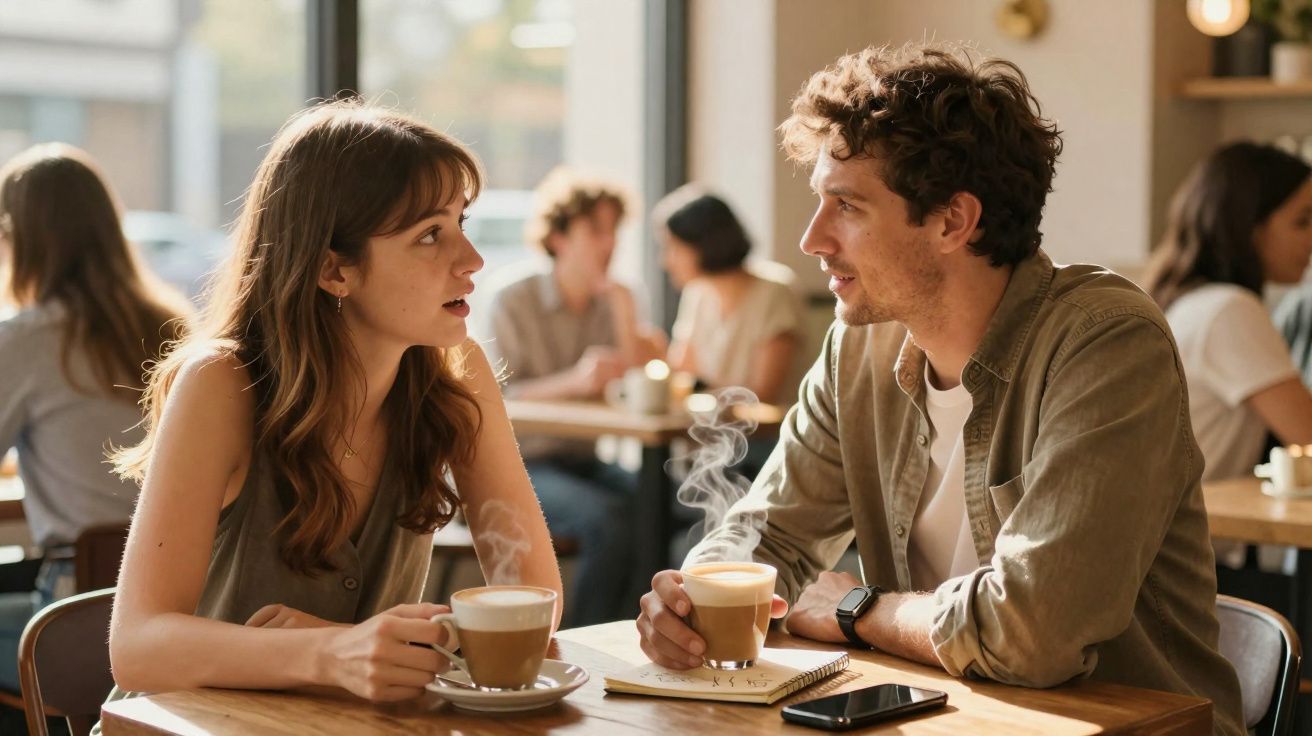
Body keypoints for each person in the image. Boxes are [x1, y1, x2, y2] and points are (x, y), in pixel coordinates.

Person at [635, 43, 1244, 736]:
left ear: (954, 220)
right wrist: (694, 599)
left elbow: (1035, 628)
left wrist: (857, 609)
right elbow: (767, 533)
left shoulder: (1105, 341)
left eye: (847, 206)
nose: (811, 239)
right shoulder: (858, 348)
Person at [105, 102, 562, 705]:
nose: (472, 260)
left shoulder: (457, 371)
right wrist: (328, 654)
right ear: (332, 270)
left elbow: (532, 599)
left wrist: (350, 643)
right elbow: (136, 647)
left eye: (461, 223)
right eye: (430, 234)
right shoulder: (221, 384)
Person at [0, 144, 188, 696]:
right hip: (184, 606)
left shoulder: (30, 338)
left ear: (20, 239)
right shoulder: (174, 324)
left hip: (80, 609)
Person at [484, 167, 660, 627]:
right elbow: (498, 396)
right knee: (609, 520)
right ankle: (590, 640)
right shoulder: (513, 298)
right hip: (522, 463)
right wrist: (576, 381)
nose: (610, 243)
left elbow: (643, 388)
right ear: (559, 237)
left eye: (615, 231)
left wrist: (626, 313)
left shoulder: (616, 299)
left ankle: (642, 635)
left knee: (658, 504)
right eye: (595, 230)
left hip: (583, 459)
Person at [1144, 142, 1312, 493]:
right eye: (1302, 221)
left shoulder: (1193, 301)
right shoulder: (1228, 311)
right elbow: (1307, 435)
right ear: (1250, 228)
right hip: (1188, 543)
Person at [656, 184, 805, 406]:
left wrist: (701, 393)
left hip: (765, 435)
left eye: (674, 248)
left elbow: (764, 397)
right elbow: (681, 375)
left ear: (704, 244)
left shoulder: (775, 292)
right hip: (712, 430)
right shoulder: (698, 294)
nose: (666, 261)